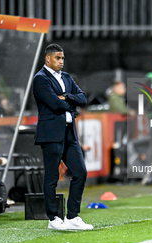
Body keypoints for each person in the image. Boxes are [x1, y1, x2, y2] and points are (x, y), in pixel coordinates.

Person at [32, 43, 93, 230]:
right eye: (57, 58)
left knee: (80, 172)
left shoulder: (66, 77)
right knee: (52, 177)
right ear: (48, 59)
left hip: (69, 132)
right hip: (51, 133)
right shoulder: (40, 79)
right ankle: (53, 218)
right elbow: (54, 104)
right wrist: (71, 103)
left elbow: (83, 98)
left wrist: (65, 97)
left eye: (62, 58)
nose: (61, 62)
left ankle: (72, 216)